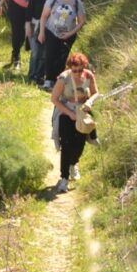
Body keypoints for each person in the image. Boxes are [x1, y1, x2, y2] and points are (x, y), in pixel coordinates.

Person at [51, 52, 98, 193]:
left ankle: (73, 164)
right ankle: (64, 178)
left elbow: (96, 92)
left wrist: (90, 101)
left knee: (80, 143)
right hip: (66, 112)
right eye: (74, 70)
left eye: (80, 70)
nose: (77, 73)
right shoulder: (64, 78)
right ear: (70, 68)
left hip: (82, 112)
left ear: (84, 67)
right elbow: (54, 99)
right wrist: (69, 113)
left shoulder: (88, 75)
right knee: (66, 144)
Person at [38, 0, 86, 89]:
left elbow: (82, 21)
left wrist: (70, 33)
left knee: (62, 58)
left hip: (68, 35)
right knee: (50, 55)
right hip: (51, 31)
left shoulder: (76, 2)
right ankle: (48, 80)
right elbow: (44, 16)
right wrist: (41, 32)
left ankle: (57, 82)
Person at [25, 0, 55, 84]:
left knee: (44, 54)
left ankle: (39, 76)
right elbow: (28, 13)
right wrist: (28, 26)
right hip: (34, 25)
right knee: (36, 52)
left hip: (49, 28)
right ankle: (32, 75)